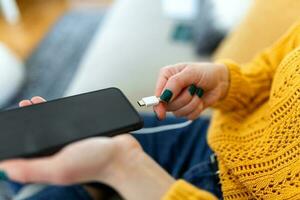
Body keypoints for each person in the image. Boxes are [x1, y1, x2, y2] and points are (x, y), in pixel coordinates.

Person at [0, 22, 299, 200]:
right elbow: (275, 61)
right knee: (39, 141)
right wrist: (229, 81)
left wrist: (122, 166)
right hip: (214, 139)